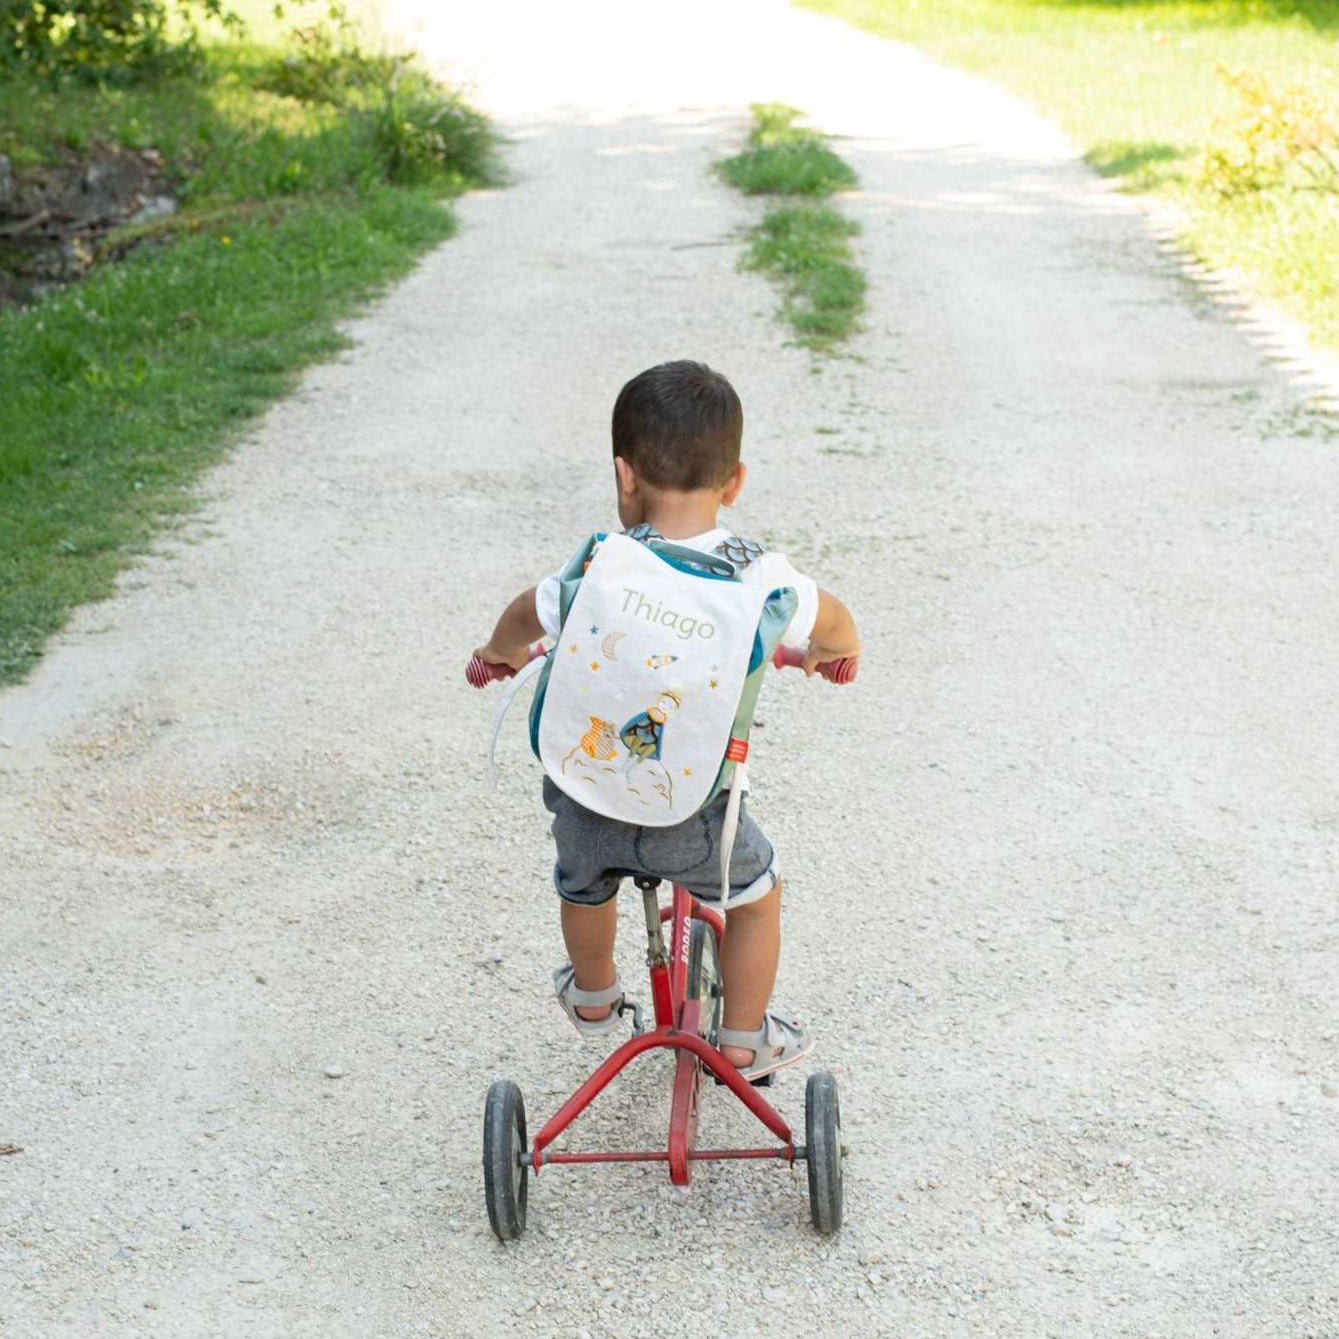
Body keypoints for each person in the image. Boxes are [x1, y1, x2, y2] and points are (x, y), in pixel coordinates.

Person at [472, 359, 860, 1080]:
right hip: (691, 824)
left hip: (587, 795)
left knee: (580, 881)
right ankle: (743, 1040)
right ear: (735, 481)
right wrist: (834, 649)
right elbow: (831, 616)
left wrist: (499, 652)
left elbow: (528, 612)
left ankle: (593, 995)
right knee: (755, 894)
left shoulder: (601, 563)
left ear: (624, 476)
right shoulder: (759, 577)